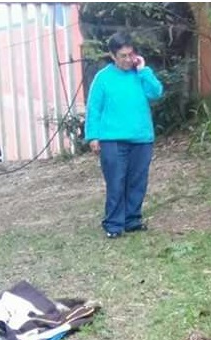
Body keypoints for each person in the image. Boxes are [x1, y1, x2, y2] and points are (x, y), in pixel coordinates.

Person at [85, 32, 163, 239]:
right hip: (112, 139)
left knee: (138, 180)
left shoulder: (140, 74)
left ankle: (132, 219)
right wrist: (92, 136)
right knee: (116, 181)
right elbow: (94, 108)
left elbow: (156, 93)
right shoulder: (103, 78)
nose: (128, 60)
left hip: (141, 137)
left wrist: (144, 70)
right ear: (112, 55)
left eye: (131, 54)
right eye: (123, 56)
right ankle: (113, 223)